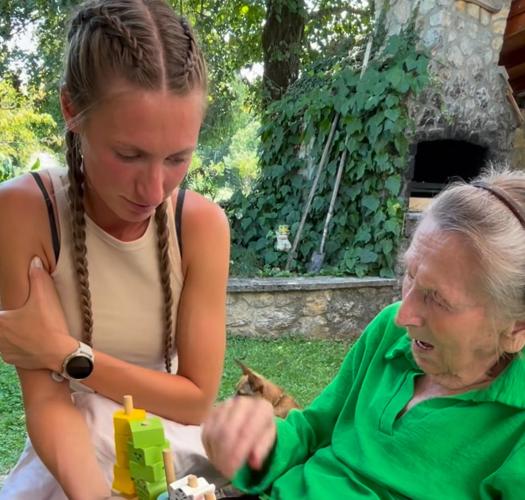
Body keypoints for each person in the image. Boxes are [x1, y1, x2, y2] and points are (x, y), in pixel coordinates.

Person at [0, 1, 229, 499]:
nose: (154, 189)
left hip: (170, 451)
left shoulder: (201, 226)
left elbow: (195, 402)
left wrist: (65, 353)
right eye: (129, 155)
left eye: (178, 158)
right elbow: (48, 403)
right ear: (71, 110)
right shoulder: (24, 213)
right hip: (71, 458)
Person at [202, 167, 525, 499]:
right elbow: (313, 430)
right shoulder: (389, 333)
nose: (403, 315)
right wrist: (257, 444)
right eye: (411, 275)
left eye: (438, 299)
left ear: (516, 326)